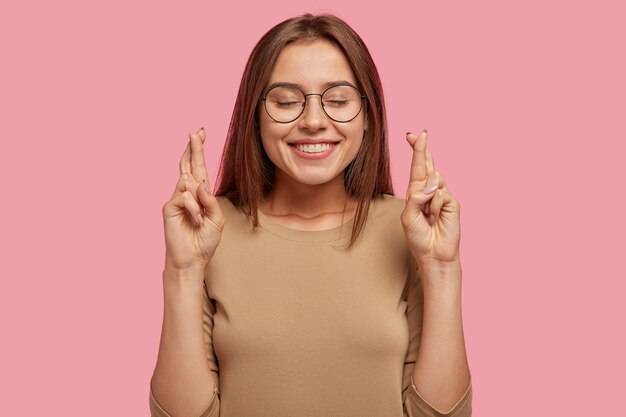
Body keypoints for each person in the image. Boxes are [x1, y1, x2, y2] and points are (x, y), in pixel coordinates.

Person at [149, 13, 472, 417]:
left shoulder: (412, 229)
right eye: (286, 101)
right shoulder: (209, 231)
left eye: (338, 100)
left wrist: (442, 268)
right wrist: (182, 270)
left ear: (369, 117)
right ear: (256, 115)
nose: (314, 121)